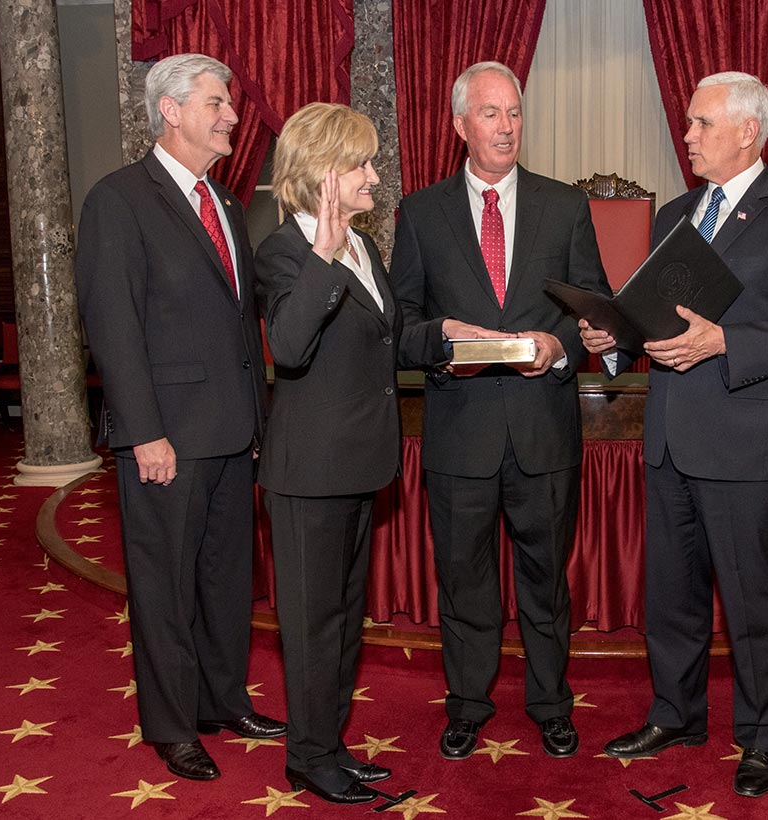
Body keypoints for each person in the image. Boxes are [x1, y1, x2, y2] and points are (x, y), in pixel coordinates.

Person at [584, 71, 768, 798]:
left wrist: (726, 343)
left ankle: (762, 737)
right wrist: (609, 339)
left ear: (749, 130)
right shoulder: (675, 212)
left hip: (748, 443)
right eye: (690, 123)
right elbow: (652, 320)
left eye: (701, 124)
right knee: (671, 596)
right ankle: (677, 715)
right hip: (669, 437)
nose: (688, 136)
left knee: (753, 601)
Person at [389, 61, 611, 762]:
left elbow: (595, 309)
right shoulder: (420, 214)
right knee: (464, 582)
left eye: (514, 112)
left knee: (547, 582)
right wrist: (445, 337)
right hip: (461, 437)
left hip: (544, 431)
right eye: (490, 113)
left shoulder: (564, 205)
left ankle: (550, 704)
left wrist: (559, 343)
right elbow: (400, 325)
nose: (507, 126)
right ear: (459, 125)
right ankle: (468, 704)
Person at [75, 53, 283, 782]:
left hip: (232, 431)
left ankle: (222, 701)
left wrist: (257, 423)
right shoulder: (118, 200)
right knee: (163, 587)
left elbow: (237, 323)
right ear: (170, 109)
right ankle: (170, 724)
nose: (232, 115)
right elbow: (113, 327)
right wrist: (143, 432)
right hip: (164, 435)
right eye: (218, 103)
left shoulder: (224, 204)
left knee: (227, 580)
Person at [255, 103, 436, 805]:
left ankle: (329, 744)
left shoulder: (364, 244)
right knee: (309, 623)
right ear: (323, 173)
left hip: (360, 465)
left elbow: (388, 339)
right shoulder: (285, 251)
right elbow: (291, 348)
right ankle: (306, 757)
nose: (374, 174)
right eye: (361, 163)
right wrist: (325, 254)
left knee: (340, 618)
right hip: (309, 472)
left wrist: (453, 336)